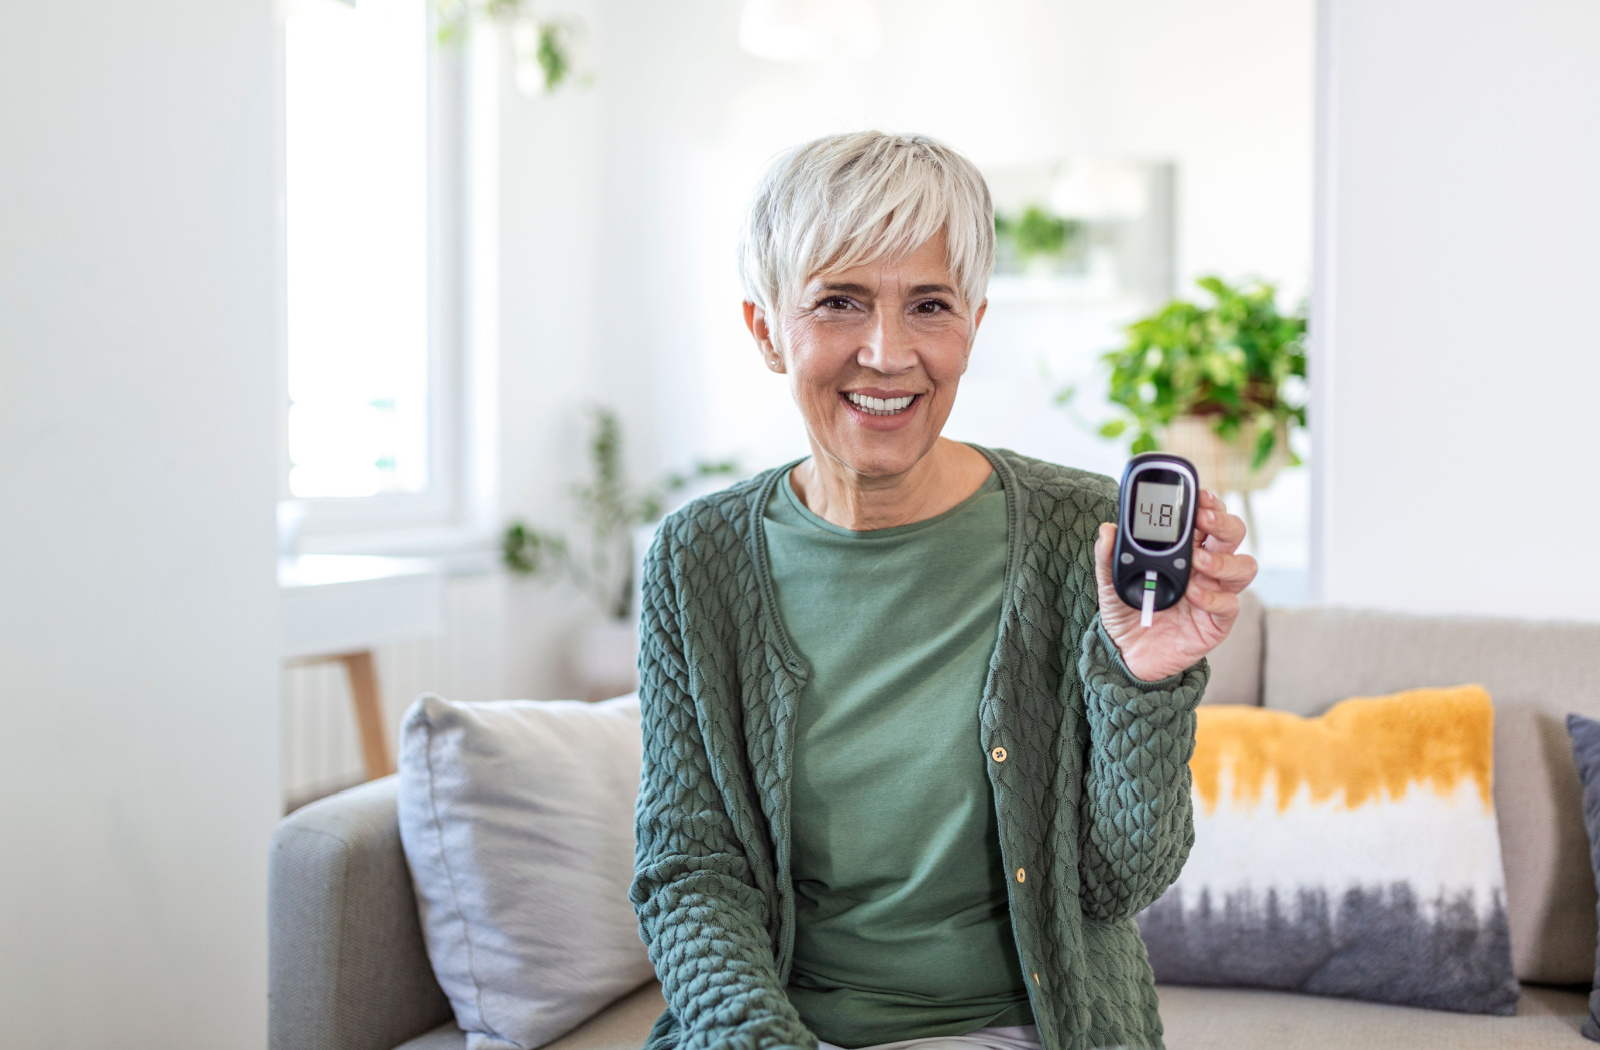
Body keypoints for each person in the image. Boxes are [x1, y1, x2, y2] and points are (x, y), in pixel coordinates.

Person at [630, 131, 1257, 1050]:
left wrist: (1146, 684)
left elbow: (1122, 882)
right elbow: (689, 870)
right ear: (766, 330)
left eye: (929, 304)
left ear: (973, 323)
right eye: (840, 302)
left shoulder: (1079, 534)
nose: (888, 354)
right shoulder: (697, 559)